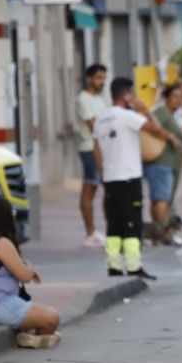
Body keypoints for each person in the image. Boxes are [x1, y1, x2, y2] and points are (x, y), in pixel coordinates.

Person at [94, 77, 179, 279]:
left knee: (113, 224)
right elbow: (156, 129)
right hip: (129, 177)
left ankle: (113, 266)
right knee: (132, 222)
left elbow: (95, 150)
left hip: (110, 178)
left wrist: (103, 174)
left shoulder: (101, 119)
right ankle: (134, 267)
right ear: (127, 95)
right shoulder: (128, 116)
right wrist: (145, 109)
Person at [0, 197, 61, 348]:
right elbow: (24, 276)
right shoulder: (0, 243)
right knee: (51, 317)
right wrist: (29, 267)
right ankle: (36, 339)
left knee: (39, 312)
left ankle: (29, 335)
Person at [145, 83, 182, 245]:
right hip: (160, 163)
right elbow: (150, 126)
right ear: (166, 97)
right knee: (161, 198)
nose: (178, 100)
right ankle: (160, 234)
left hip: (171, 163)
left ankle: (162, 233)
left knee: (165, 199)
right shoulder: (161, 113)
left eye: (181, 97)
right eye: (175, 97)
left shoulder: (171, 116)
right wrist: (170, 137)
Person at [75, 64, 108, 247]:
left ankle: (100, 230)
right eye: (98, 78)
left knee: (102, 188)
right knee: (90, 188)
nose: (101, 82)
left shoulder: (99, 100)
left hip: (102, 148)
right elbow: (94, 125)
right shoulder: (83, 99)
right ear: (89, 78)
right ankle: (90, 232)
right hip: (89, 148)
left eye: (103, 78)